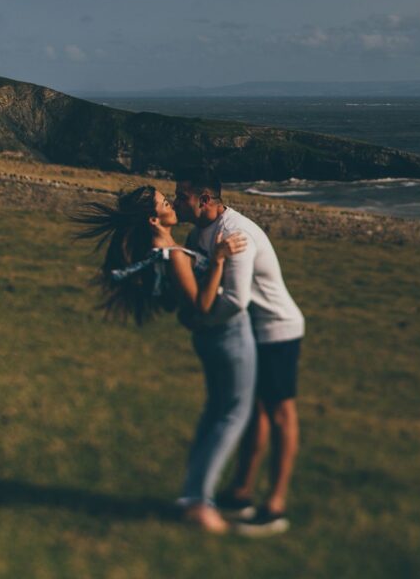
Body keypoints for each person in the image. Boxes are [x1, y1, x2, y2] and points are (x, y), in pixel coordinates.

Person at [71, 185, 252, 535]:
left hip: (214, 337)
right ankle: (199, 503)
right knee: (232, 414)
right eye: (166, 203)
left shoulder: (165, 250)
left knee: (218, 412)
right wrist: (217, 259)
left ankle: (193, 495)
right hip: (226, 336)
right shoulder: (171, 254)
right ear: (155, 218)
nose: (172, 204)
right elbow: (201, 305)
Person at [173, 170, 305, 537]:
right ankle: (241, 492)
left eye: (181, 195)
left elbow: (235, 300)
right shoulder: (197, 232)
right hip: (247, 331)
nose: (174, 201)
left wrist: (201, 322)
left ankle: (275, 505)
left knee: (279, 413)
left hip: (275, 329)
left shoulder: (235, 234)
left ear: (204, 199)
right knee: (254, 412)